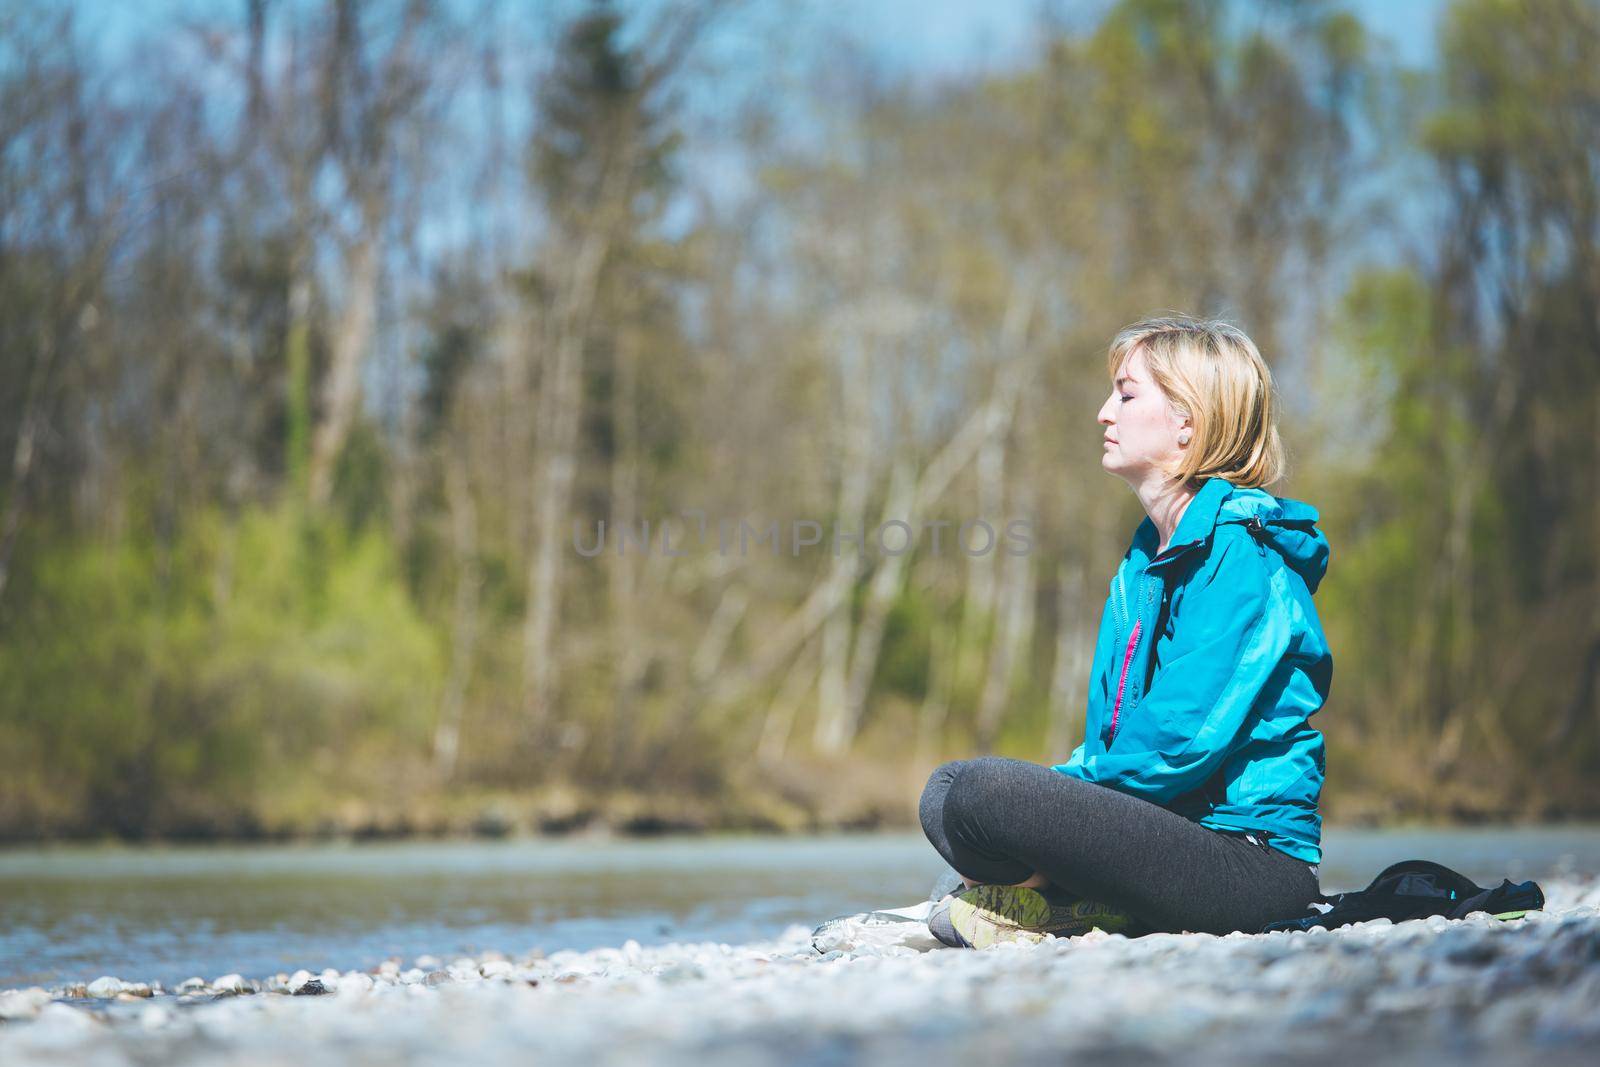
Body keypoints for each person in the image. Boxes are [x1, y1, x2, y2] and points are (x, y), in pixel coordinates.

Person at [919, 315, 1331, 948]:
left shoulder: (1243, 559)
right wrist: (1060, 809)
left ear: (1188, 422)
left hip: (1249, 862)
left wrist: (1053, 803)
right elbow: (1116, 735)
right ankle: (1079, 902)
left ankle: (1064, 901)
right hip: (1166, 832)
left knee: (985, 794)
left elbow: (1181, 738)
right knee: (947, 792)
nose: (1103, 411)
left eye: (1126, 393)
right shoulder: (1144, 563)